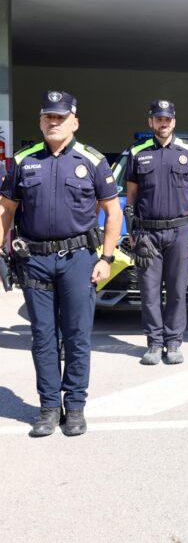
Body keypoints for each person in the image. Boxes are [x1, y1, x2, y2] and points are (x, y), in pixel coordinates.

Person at [0, 90, 122, 437]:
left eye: (60, 117)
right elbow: (6, 210)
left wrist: (107, 258)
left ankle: (76, 407)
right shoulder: (24, 162)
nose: (53, 122)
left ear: (74, 122)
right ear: (40, 122)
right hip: (35, 261)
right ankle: (49, 408)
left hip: (79, 260)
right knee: (42, 337)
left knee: (77, 336)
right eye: (47, 117)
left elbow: (112, 213)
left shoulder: (93, 161)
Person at [124, 100, 188, 365]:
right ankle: (153, 342)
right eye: (158, 118)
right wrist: (132, 232)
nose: (163, 123)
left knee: (177, 291)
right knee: (149, 292)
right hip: (147, 233)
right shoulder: (137, 153)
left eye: (168, 119)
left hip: (180, 232)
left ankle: (173, 342)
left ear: (174, 121)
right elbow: (131, 196)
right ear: (150, 121)